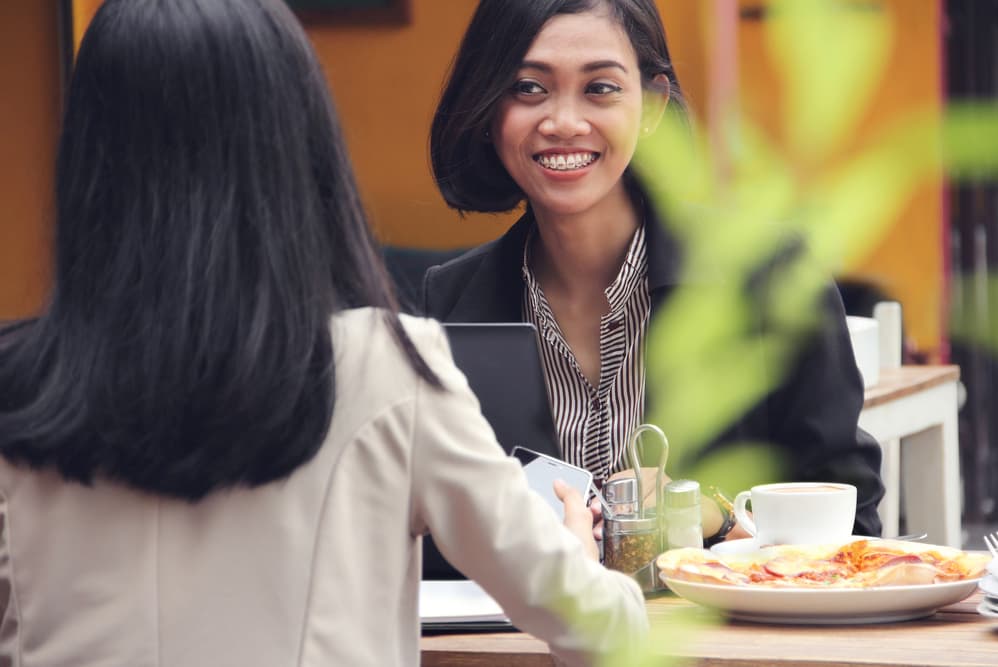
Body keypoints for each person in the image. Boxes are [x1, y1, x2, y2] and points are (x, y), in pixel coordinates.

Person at [0, 1, 647, 665]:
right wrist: (573, 552)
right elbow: (599, 629)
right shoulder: (390, 371)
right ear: (297, 144)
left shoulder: (19, 392)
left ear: (86, 155)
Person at [422, 0, 885, 545]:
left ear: (652, 105)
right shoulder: (450, 303)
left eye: (601, 88)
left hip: (715, 630)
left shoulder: (769, 274)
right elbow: (430, 531)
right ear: (488, 109)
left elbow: (852, 533)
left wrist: (714, 516)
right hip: (524, 631)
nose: (563, 122)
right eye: (528, 88)